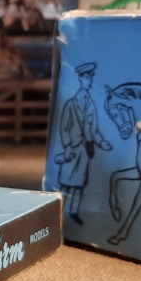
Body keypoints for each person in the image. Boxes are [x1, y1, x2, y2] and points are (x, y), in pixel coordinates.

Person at [55, 62, 110, 225]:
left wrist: (101, 142)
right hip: (72, 149)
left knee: (79, 185)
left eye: (90, 78)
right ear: (80, 79)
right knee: (65, 184)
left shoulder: (90, 105)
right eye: (86, 78)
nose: (89, 81)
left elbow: (94, 129)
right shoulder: (70, 104)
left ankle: (74, 212)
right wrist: (67, 146)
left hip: (84, 150)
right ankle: (57, 212)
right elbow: (64, 128)